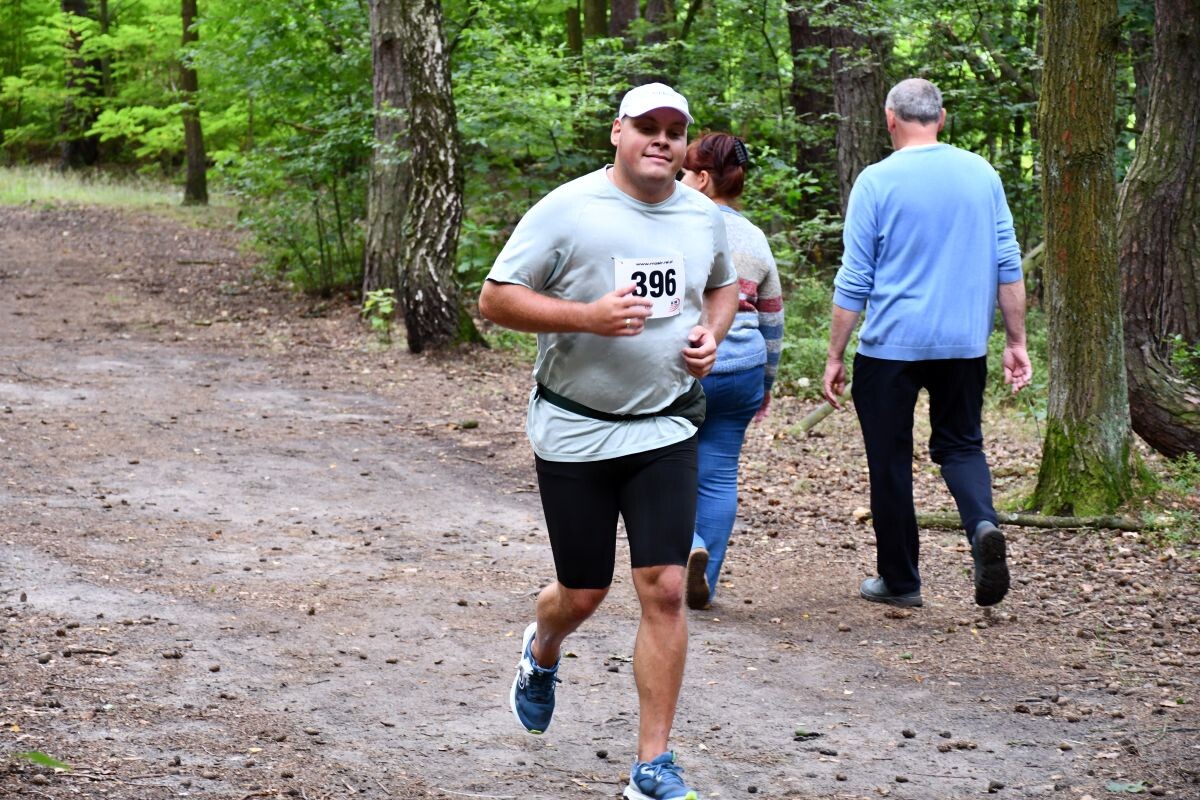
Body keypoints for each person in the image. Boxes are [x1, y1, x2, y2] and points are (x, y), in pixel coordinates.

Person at [479, 82, 739, 800]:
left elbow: (723, 288)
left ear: (686, 145)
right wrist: (585, 318)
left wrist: (708, 338)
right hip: (575, 429)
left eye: (674, 130)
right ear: (618, 133)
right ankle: (542, 650)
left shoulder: (700, 216)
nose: (661, 139)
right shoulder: (568, 209)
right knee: (583, 593)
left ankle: (652, 765)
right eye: (647, 126)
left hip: (665, 425)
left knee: (663, 589)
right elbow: (495, 298)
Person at [822, 77, 1032, 610]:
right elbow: (1007, 263)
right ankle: (982, 523)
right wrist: (1016, 340)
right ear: (941, 118)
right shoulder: (982, 174)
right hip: (963, 345)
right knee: (962, 446)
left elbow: (854, 278)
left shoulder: (875, 181)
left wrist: (835, 354)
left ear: (891, 118)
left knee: (889, 460)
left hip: (890, 347)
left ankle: (900, 581)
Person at [677, 133, 784, 610]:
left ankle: (690, 545)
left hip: (689, 367)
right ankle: (705, 580)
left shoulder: (677, 224)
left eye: (683, 172)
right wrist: (764, 386)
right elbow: (771, 320)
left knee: (663, 470)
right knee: (719, 476)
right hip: (744, 368)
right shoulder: (756, 237)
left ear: (701, 179)